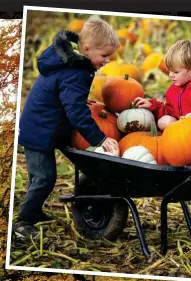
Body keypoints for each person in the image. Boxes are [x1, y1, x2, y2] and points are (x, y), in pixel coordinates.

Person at [13, 16, 120, 241]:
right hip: (39, 130)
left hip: (42, 125)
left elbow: (69, 98)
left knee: (37, 177)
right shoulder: (75, 72)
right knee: (44, 178)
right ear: (87, 49)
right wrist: (99, 139)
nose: (107, 60)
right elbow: (75, 112)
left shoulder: (70, 62)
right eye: (104, 55)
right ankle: (23, 222)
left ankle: (33, 210)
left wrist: (82, 102)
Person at [134, 40, 191, 131]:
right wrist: (152, 106)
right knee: (163, 121)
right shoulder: (173, 90)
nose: (170, 75)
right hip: (183, 132)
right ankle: (178, 141)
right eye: (169, 71)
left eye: (175, 72)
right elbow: (169, 111)